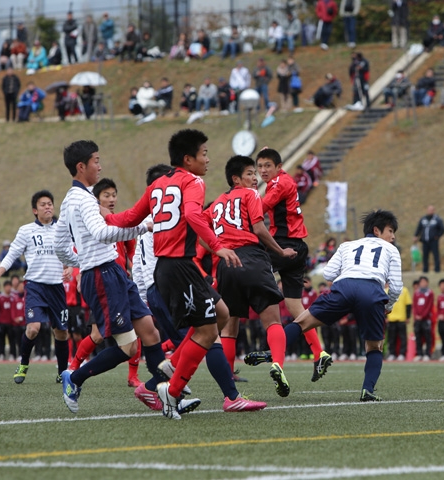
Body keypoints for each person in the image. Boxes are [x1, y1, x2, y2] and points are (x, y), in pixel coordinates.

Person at [103, 130, 240, 419]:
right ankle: (171, 389)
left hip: (172, 267)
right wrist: (218, 247)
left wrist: (100, 215)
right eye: (204, 153)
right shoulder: (193, 181)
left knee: (222, 314)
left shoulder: (157, 186)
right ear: (188, 159)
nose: (208, 159)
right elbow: (192, 213)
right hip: (178, 266)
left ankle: (170, 367)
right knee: (206, 331)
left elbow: (129, 218)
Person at [131, 164, 266, 412]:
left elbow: (138, 269)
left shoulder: (151, 221)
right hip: (171, 285)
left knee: (210, 328)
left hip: (159, 287)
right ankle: (221, 396)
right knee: (208, 336)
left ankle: (155, 388)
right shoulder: (167, 216)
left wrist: (144, 297)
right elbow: (189, 235)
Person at [54, 140, 169, 415]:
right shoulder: (83, 199)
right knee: (128, 348)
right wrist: (141, 228)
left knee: (150, 332)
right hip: (103, 277)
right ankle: (75, 377)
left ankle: (162, 389)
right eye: (96, 160)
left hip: (112, 272)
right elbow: (102, 233)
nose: (100, 165)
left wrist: (79, 260)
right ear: (82, 166)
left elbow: (60, 246)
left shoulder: (70, 199)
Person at [262, 209, 403, 401]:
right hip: (371, 291)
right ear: (377, 230)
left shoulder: (347, 246)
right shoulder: (391, 250)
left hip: (344, 287)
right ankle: (367, 390)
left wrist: (350, 276)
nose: (393, 236)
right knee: (374, 346)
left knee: (303, 321)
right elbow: (395, 286)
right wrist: (389, 305)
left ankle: (273, 351)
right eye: (390, 231)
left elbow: (328, 274)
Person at [208, 156, 298, 396]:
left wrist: (219, 249)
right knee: (273, 321)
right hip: (252, 258)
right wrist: (280, 251)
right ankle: (277, 364)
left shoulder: (215, 204)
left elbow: (201, 235)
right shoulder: (250, 195)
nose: (255, 177)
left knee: (229, 329)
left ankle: (229, 389)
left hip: (226, 264)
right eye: (250, 173)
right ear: (236, 178)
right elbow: (258, 228)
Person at [244, 148, 330, 381]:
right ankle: (318, 352)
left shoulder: (280, 184)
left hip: (284, 247)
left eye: (267, 166)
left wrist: (239, 200)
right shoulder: (280, 181)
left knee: (246, 276)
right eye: (259, 166)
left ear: (279, 166)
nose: (262, 170)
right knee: (295, 307)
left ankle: (272, 346)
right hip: (296, 248)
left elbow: (257, 210)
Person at [0, 190, 71, 383]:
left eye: (50, 203)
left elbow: (72, 252)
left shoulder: (62, 229)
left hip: (57, 288)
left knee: (61, 332)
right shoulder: (26, 231)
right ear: (35, 210)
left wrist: (71, 268)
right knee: (33, 328)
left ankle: (62, 372)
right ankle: (24, 363)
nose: (48, 207)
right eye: (43, 204)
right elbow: (11, 255)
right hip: (35, 286)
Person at [69, 178, 141, 387]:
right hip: (104, 284)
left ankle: (134, 377)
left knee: (143, 327)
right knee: (98, 335)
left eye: (113, 195)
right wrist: (76, 273)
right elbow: (78, 253)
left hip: (121, 281)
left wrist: (131, 268)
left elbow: (131, 250)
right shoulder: (93, 222)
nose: (111, 199)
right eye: (106, 196)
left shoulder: (120, 221)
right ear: (96, 199)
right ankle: (74, 368)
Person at [413, 205, 444, 273]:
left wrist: (437, 236)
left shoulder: (437, 219)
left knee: (436, 255)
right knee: (425, 256)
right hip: (425, 241)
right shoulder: (423, 219)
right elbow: (419, 228)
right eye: (429, 210)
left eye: (432, 210)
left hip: (434, 241)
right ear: (427, 210)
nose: (430, 211)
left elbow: (442, 229)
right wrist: (416, 236)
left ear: (434, 211)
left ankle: (437, 269)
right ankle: (425, 270)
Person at [386, 283, 411, 361]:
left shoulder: (404, 290)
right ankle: (392, 353)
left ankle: (402, 354)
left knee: (403, 337)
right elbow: (383, 304)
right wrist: (385, 317)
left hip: (401, 318)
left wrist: (408, 316)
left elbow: (408, 304)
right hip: (391, 318)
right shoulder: (387, 291)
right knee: (391, 338)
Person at [412, 276, 433, 361]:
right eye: (421, 282)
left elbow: (429, 306)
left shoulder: (430, 293)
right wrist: (416, 315)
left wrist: (423, 315)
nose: (423, 284)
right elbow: (415, 306)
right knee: (418, 337)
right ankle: (419, 353)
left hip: (426, 319)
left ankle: (427, 354)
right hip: (417, 319)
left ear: (427, 283)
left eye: (424, 282)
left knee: (428, 337)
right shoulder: (416, 293)